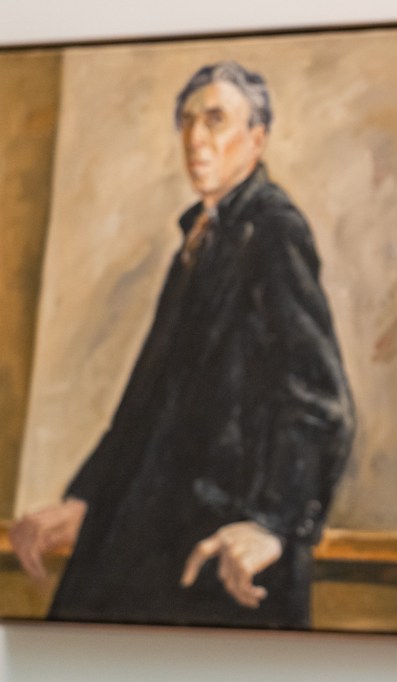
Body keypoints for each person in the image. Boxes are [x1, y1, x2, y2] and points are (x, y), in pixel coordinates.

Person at [9, 61, 356, 630]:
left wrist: (271, 522)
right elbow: (150, 401)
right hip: (154, 530)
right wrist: (84, 498)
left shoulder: (270, 230)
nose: (196, 138)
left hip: (217, 548)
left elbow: (319, 400)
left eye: (216, 120)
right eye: (188, 121)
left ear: (257, 137)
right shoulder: (203, 237)